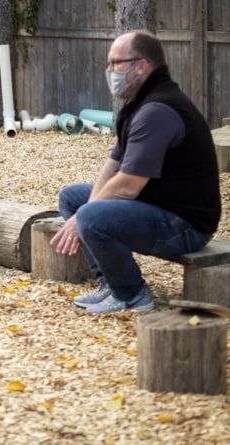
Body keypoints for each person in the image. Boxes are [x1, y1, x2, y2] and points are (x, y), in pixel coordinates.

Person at [50, 30, 220, 314]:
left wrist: (85, 216)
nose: (109, 71)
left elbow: (128, 185)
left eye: (116, 63)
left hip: (186, 226)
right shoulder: (139, 104)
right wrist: (84, 210)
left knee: (91, 214)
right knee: (73, 198)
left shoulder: (158, 110)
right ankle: (111, 284)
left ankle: (132, 295)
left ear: (141, 65)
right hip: (156, 206)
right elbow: (114, 164)